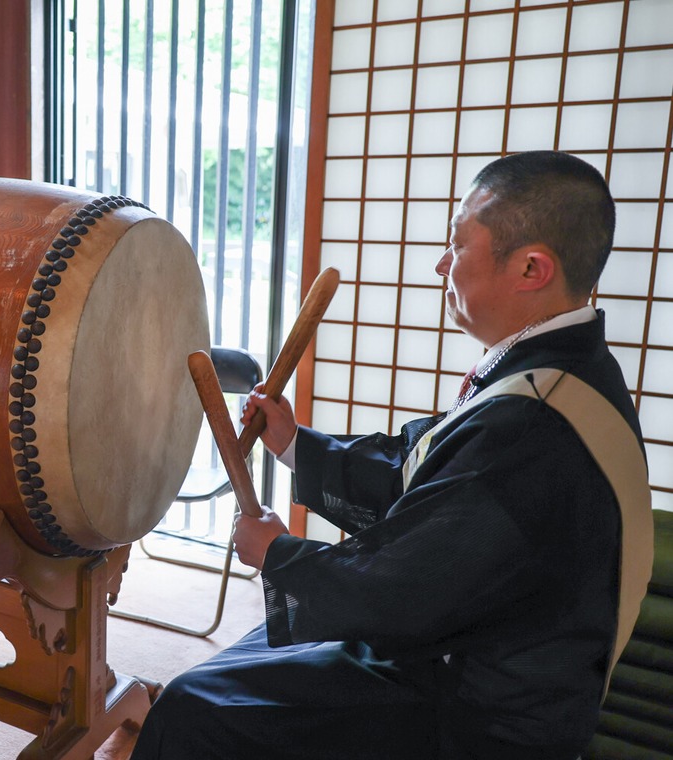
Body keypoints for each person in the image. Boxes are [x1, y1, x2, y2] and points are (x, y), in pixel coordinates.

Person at [130, 151, 652, 759]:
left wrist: (278, 553)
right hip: (468, 645)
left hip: (480, 714)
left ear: (531, 268)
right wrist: (294, 443)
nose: (441, 264)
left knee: (197, 707)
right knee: (243, 664)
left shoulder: (531, 423)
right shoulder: (568, 367)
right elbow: (422, 469)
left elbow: (401, 592)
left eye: (458, 245)